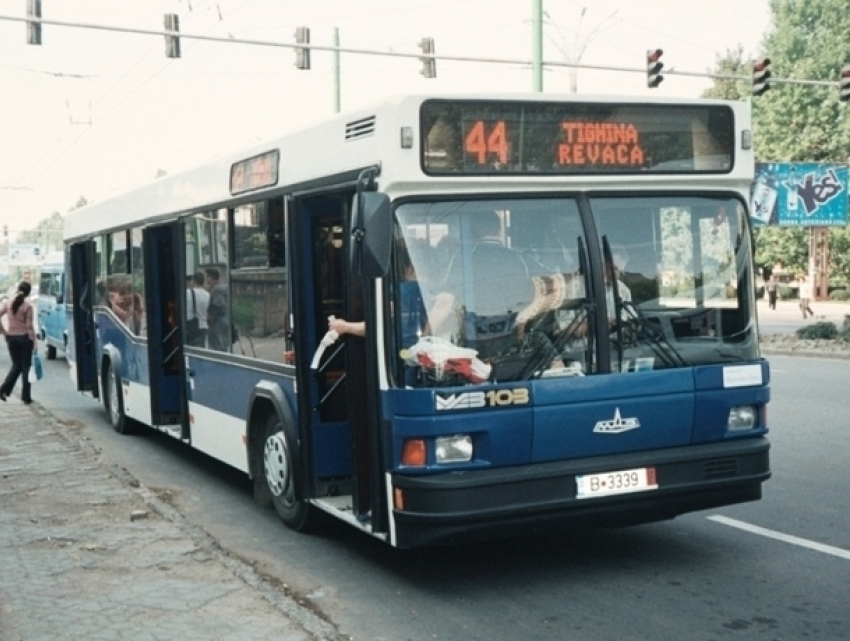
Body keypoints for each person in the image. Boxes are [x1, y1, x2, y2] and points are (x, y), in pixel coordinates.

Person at [0, 281, 37, 404]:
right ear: (29, 292)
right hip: (24, 338)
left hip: (11, 338)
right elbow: (29, 326)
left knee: (16, 365)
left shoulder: (8, 303)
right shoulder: (27, 306)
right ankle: (26, 396)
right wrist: (34, 342)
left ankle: (4, 389)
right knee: (26, 367)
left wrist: (4, 332)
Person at [205, 267, 230, 351]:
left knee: (216, 345)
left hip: (217, 320)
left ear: (211, 277)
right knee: (222, 343)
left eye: (207, 276)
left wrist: (210, 317)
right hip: (224, 318)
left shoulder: (215, 290)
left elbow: (218, 305)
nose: (206, 278)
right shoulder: (222, 288)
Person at [186, 272, 210, 347]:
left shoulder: (187, 293)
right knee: (200, 351)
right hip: (204, 326)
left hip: (191, 327)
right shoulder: (208, 295)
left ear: (193, 281)